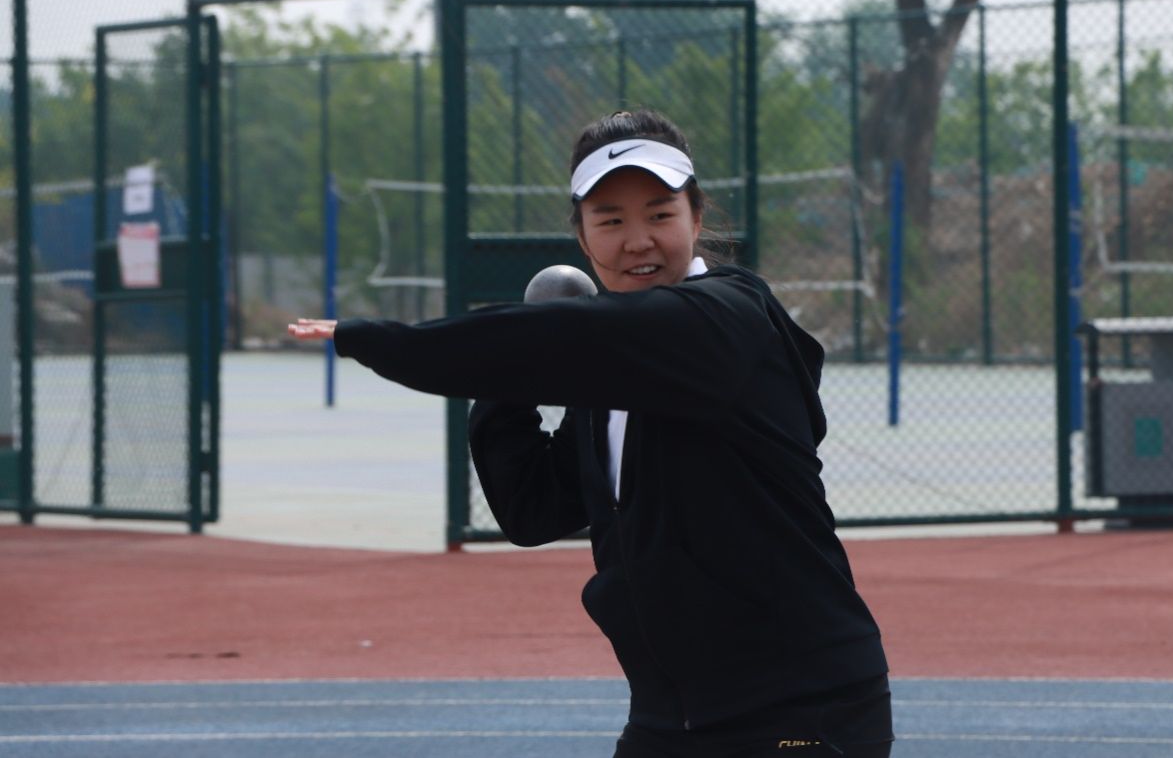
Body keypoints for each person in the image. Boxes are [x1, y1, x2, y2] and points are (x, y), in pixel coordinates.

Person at [289, 109, 893, 757]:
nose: (638, 241)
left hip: (798, 706)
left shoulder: (727, 321)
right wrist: (511, 376)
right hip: (673, 715)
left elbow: (585, 339)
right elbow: (533, 508)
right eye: (610, 221)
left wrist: (385, 341)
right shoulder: (614, 377)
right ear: (581, 237)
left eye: (660, 214)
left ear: (696, 217)